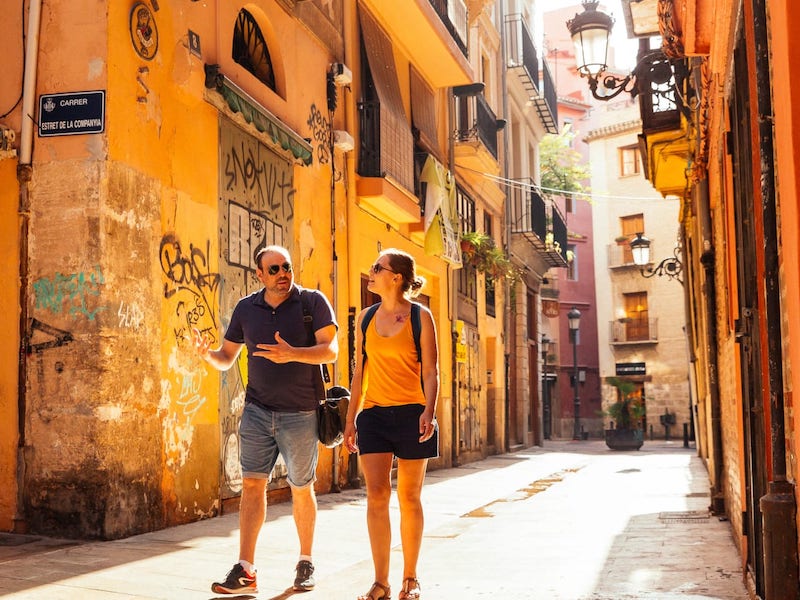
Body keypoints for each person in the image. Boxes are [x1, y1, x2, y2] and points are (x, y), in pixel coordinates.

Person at [193, 245, 338, 595]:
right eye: (273, 269)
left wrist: (292, 353)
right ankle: (246, 570)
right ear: (259, 274)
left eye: (286, 266)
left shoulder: (311, 302)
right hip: (257, 412)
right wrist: (206, 356)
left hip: (301, 412)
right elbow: (227, 357)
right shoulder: (247, 308)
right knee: (253, 486)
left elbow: (330, 351)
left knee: (301, 488)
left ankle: (305, 562)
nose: (282, 274)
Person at [344, 249, 439, 600]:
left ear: (396, 277)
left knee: (409, 496)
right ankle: (381, 582)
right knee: (376, 496)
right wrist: (351, 418)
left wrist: (428, 410)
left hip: (413, 414)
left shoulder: (420, 316)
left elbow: (431, 371)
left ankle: (410, 579)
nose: (371, 271)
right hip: (374, 415)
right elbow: (359, 372)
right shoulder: (366, 318)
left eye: (377, 267)